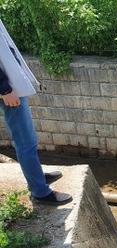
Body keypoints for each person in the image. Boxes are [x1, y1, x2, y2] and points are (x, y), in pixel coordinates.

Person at [0, 19, 70, 204]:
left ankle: (37, 177)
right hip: (8, 89)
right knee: (26, 141)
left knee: (27, 139)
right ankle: (40, 192)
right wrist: (4, 89)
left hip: (10, 84)